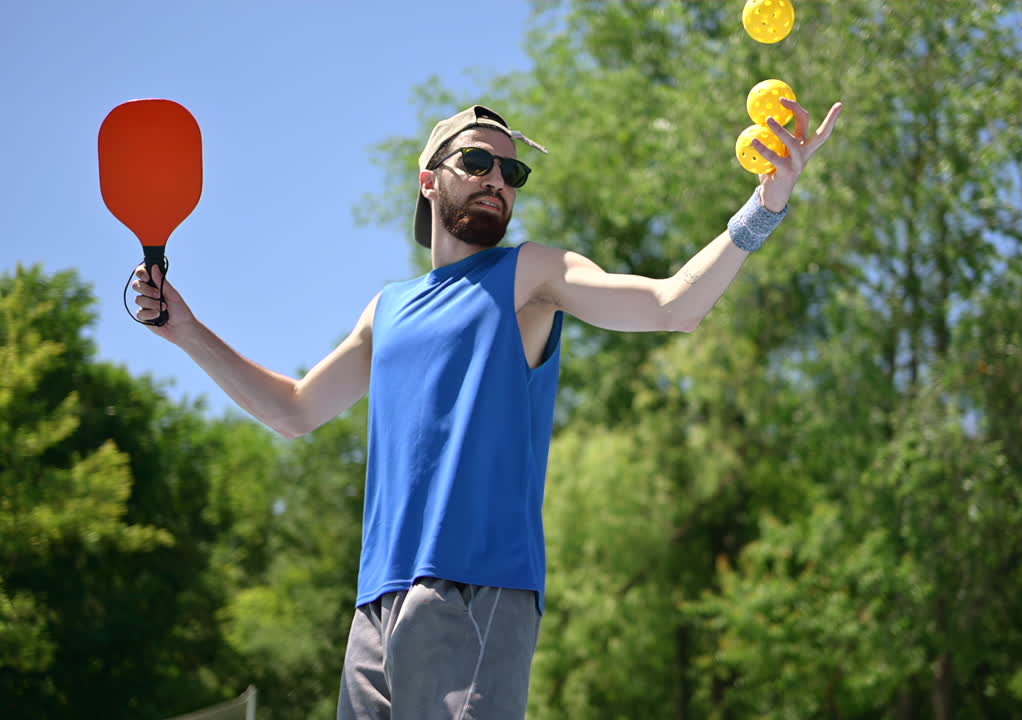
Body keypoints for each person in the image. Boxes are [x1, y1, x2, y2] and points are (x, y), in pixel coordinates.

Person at [130, 99, 842, 720]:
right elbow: (292, 411)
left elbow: (673, 305)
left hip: (476, 591)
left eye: (512, 173)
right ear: (428, 177)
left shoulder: (530, 274)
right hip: (375, 607)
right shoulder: (387, 309)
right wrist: (186, 330)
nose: (499, 181)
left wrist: (766, 205)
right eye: (479, 161)